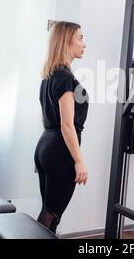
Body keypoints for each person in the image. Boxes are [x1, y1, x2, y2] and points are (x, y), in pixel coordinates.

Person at [34, 21, 89, 233]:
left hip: (45, 147)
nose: (84, 44)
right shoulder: (65, 79)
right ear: (66, 42)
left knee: (49, 212)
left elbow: (49, 118)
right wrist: (79, 161)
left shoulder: (49, 76)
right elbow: (67, 126)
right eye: (80, 38)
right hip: (59, 153)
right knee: (51, 215)